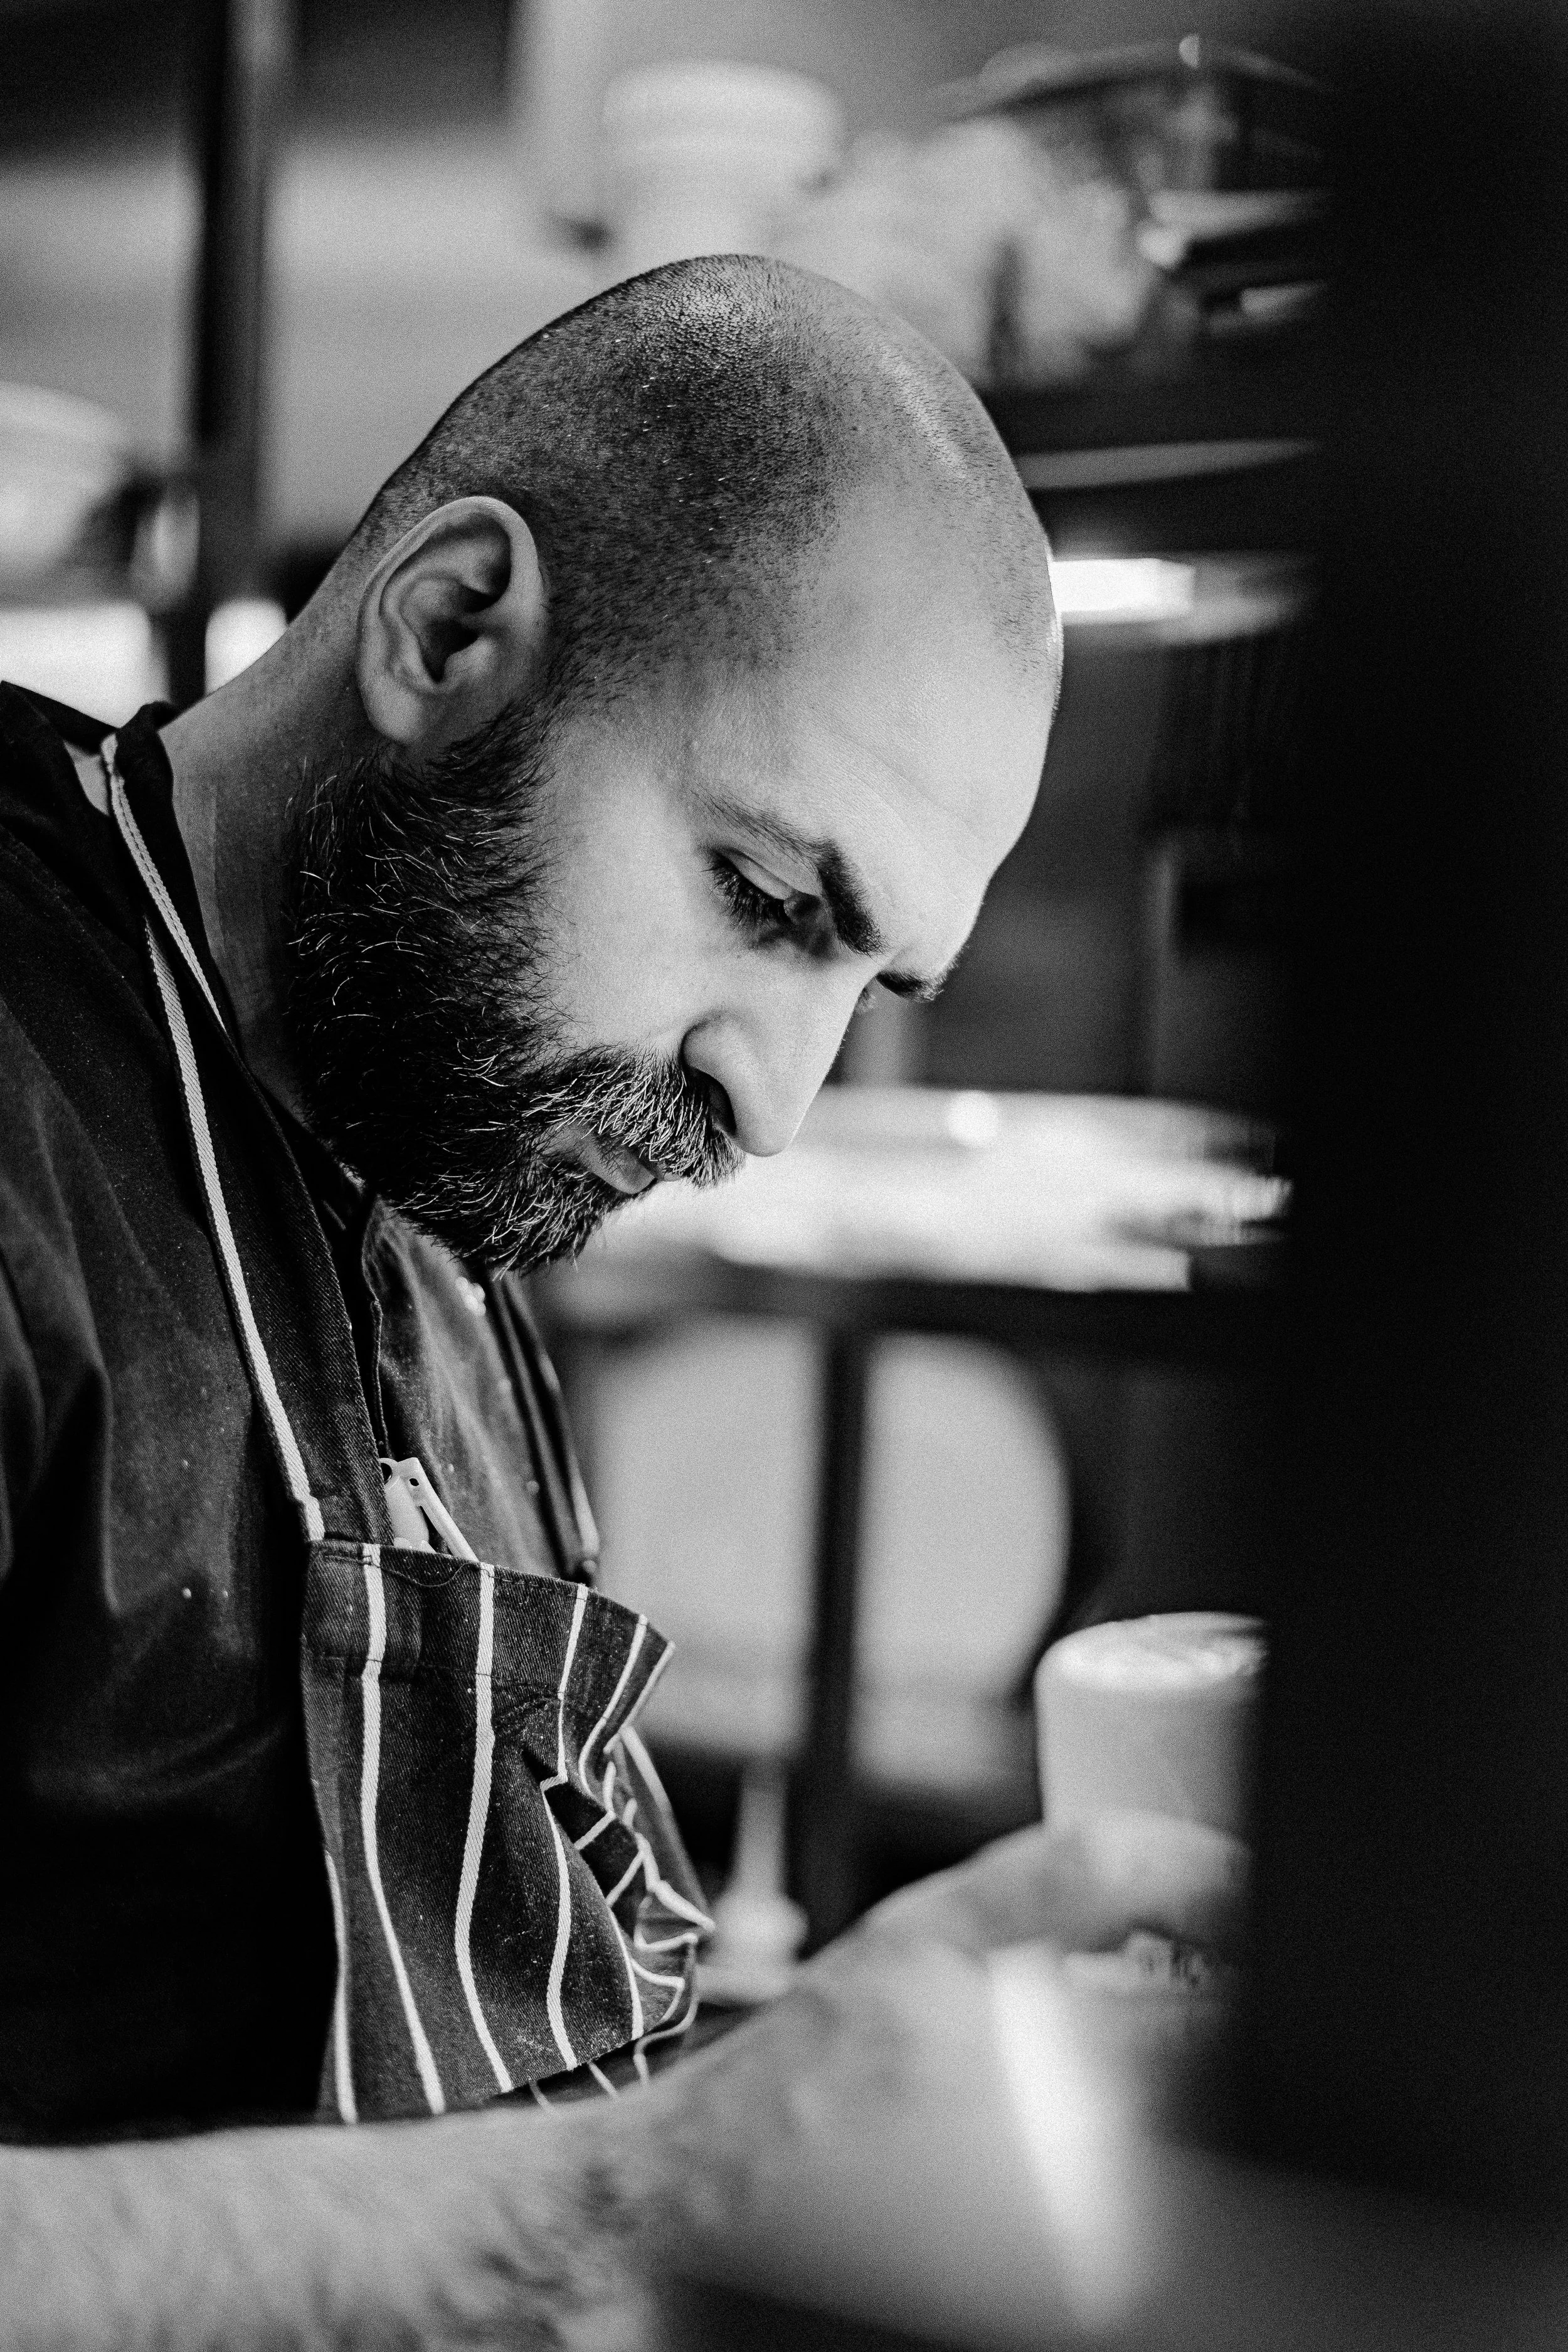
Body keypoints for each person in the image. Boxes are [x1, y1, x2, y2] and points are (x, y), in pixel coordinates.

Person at [0, 256, 1242, 2343]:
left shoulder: (432, 1153)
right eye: (766, 902)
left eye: (868, 985)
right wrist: (648, 2183)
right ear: (450, 628)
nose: (772, 1096)